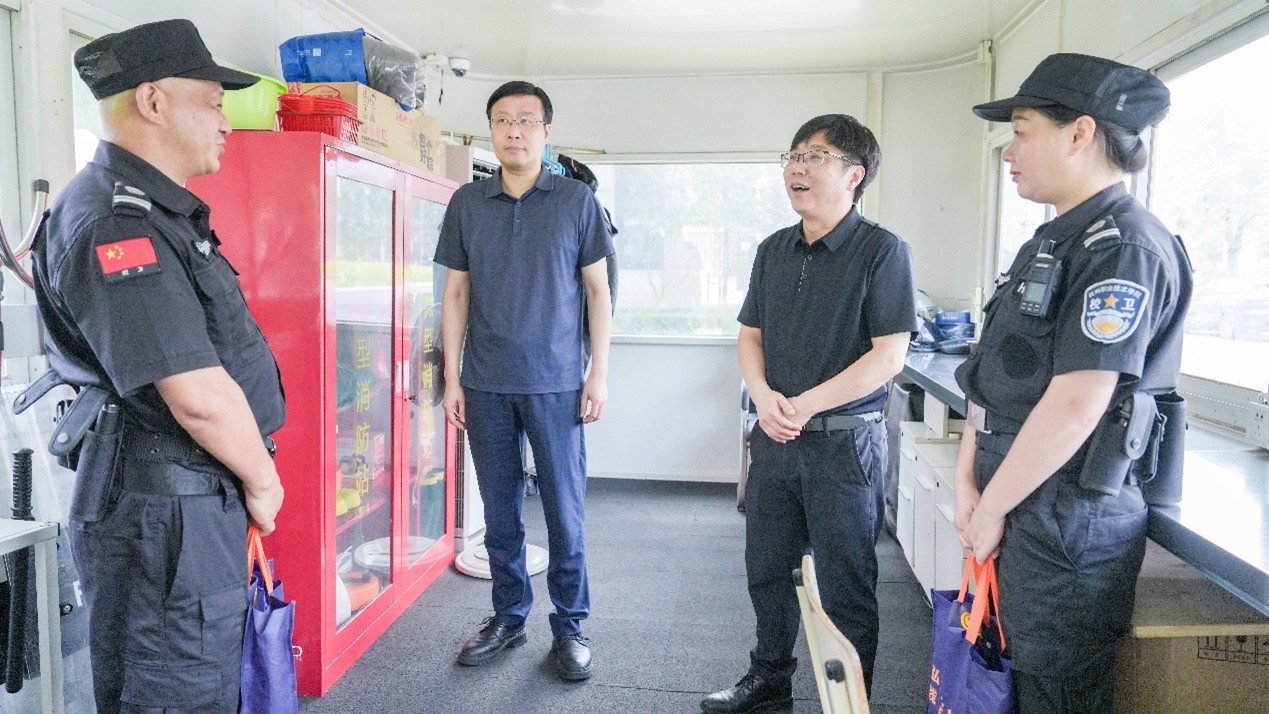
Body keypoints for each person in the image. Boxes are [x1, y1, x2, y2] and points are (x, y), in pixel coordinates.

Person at [28, 19, 286, 713]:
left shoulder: (154, 214)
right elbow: (196, 395)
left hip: (181, 504)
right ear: (152, 101)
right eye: (213, 102)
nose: (226, 121)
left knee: (202, 679)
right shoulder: (117, 225)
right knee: (176, 691)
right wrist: (263, 482)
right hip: (163, 517)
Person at [954, 53, 1190, 713]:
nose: (1009, 151)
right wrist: (967, 481)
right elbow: (994, 374)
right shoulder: (1053, 241)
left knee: (1053, 691)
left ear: (1079, 133)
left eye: (1021, 131)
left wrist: (991, 507)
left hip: (1064, 516)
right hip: (1018, 494)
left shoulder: (1122, 248)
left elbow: (1076, 405)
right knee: (1009, 680)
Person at [703, 114, 917, 713]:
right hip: (775, 438)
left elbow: (888, 356)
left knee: (847, 587)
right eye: (793, 156)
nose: (797, 168)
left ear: (854, 175)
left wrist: (801, 405)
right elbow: (750, 335)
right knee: (768, 573)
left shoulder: (883, 251)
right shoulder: (773, 249)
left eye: (815, 156)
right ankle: (768, 680)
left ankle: (848, 703)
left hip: (844, 446)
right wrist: (762, 395)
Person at [436, 81, 614, 682]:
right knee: (500, 510)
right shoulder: (467, 202)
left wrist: (598, 374)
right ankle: (509, 617)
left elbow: (598, 292)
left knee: (565, 512)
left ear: (546, 132)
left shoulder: (575, 201)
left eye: (526, 120)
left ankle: (570, 626)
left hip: (558, 382)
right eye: (502, 120)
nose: (514, 130)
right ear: (490, 129)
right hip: (485, 383)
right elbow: (455, 294)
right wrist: (452, 378)